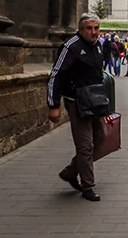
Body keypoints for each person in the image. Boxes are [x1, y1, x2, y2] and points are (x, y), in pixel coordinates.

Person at [47, 13, 104, 202]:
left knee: (101, 139)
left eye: (96, 28)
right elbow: (56, 76)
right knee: (86, 146)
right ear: (80, 30)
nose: (93, 32)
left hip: (95, 101)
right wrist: (53, 105)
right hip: (76, 102)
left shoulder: (98, 46)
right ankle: (88, 186)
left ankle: (70, 172)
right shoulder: (71, 47)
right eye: (89, 28)